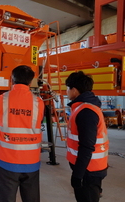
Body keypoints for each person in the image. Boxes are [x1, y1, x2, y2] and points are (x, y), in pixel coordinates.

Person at [0, 65, 44, 202]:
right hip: (31, 159)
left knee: (6, 197)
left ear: (12, 79)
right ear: (30, 81)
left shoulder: (2, 99)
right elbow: (39, 123)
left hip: (6, 158)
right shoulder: (38, 102)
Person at [65, 71, 109, 202]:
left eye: (68, 88)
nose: (66, 92)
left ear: (75, 90)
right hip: (89, 167)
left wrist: (78, 175)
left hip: (88, 170)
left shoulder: (86, 112)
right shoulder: (83, 108)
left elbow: (87, 146)